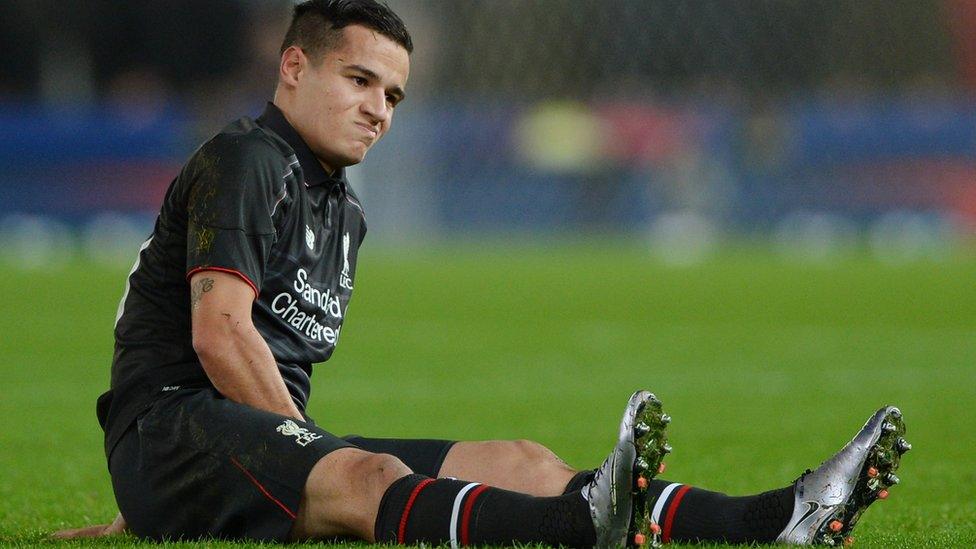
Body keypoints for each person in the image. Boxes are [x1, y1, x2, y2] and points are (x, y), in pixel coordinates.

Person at [55, 1, 910, 546]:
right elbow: (219, 333)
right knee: (369, 478)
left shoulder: (342, 213)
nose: (378, 110)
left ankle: (773, 518)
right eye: (359, 80)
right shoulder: (248, 158)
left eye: (393, 95)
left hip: (227, 449)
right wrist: (292, 459)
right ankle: (580, 526)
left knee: (523, 457)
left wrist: (262, 467)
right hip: (173, 429)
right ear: (292, 67)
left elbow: (271, 383)